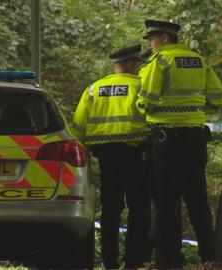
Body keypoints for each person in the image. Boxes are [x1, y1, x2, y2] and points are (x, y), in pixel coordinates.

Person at [137, 19, 222, 268]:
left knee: (167, 201)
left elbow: (147, 101)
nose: (151, 44)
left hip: (167, 141)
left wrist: (142, 107)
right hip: (196, 138)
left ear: (164, 38)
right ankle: (209, 256)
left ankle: (171, 260)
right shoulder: (198, 60)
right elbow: (218, 96)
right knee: (197, 198)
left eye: (152, 39)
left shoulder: (160, 62)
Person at [72, 44, 151, 269]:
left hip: (106, 158)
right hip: (137, 155)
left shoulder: (94, 89)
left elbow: (78, 129)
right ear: (132, 64)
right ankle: (134, 261)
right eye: (138, 64)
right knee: (139, 208)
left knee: (110, 210)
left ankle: (109, 262)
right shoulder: (142, 86)